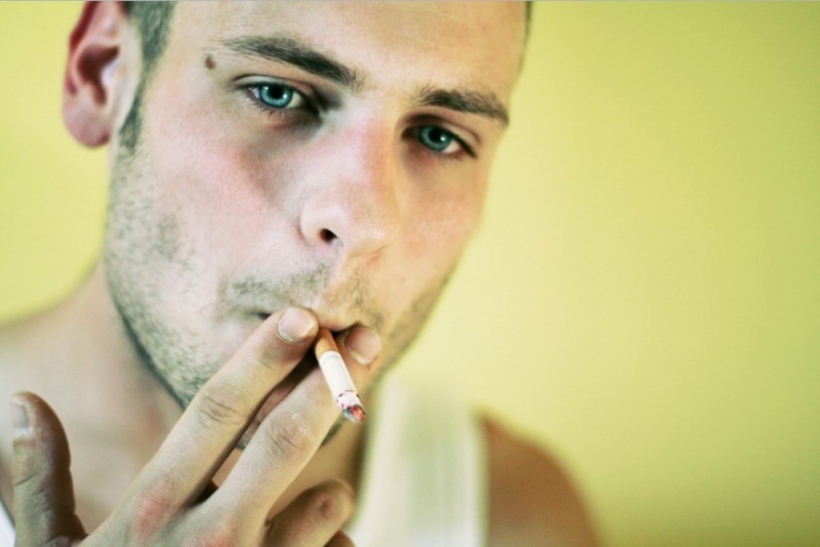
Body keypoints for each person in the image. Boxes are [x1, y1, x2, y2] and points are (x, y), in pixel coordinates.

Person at [0, 2, 597, 545]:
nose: (365, 224)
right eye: (277, 93)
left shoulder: (512, 516)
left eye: (438, 136)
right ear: (103, 73)